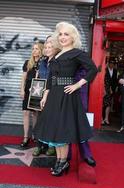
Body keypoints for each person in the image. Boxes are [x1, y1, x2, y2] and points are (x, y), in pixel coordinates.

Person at [34, 21, 97, 177]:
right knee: (56, 130)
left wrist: (77, 85)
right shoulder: (56, 54)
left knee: (62, 131)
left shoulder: (77, 53)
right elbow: (51, 77)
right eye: (60, 34)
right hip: (54, 95)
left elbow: (93, 70)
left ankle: (63, 162)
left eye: (66, 34)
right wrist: (45, 95)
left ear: (73, 37)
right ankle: (61, 160)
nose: (62, 37)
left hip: (67, 96)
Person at [33, 38, 60, 156]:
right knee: (40, 120)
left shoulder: (58, 61)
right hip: (40, 93)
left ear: (55, 48)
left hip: (53, 94)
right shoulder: (42, 62)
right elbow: (38, 77)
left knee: (52, 121)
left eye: (50, 47)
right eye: (46, 47)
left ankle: (51, 146)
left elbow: (56, 80)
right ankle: (39, 146)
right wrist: (33, 87)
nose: (47, 49)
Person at [20, 42, 44, 147]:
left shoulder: (43, 63)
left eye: (37, 49)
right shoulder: (27, 62)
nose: (34, 50)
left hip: (37, 89)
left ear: (41, 50)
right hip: (27, 88)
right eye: (33, 48)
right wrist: (22, 90)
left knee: (35, 113)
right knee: (25, 112)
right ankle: (26, 137)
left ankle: (34, 134)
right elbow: (24, 78)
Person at [102, 59, 118, 125]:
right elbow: (102, 80)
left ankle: (106, 118)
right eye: (110, 63)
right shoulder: (104, 70)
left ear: (114, 65)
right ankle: (101, 118)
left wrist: (115, 88)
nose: (111, 64)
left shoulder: (115, 71)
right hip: (105, 88)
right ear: (108, 64)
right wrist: (104, 89)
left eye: (113, 63)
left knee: (108, 104)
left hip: (111, 90)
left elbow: (116, 80)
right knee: (102, 104)